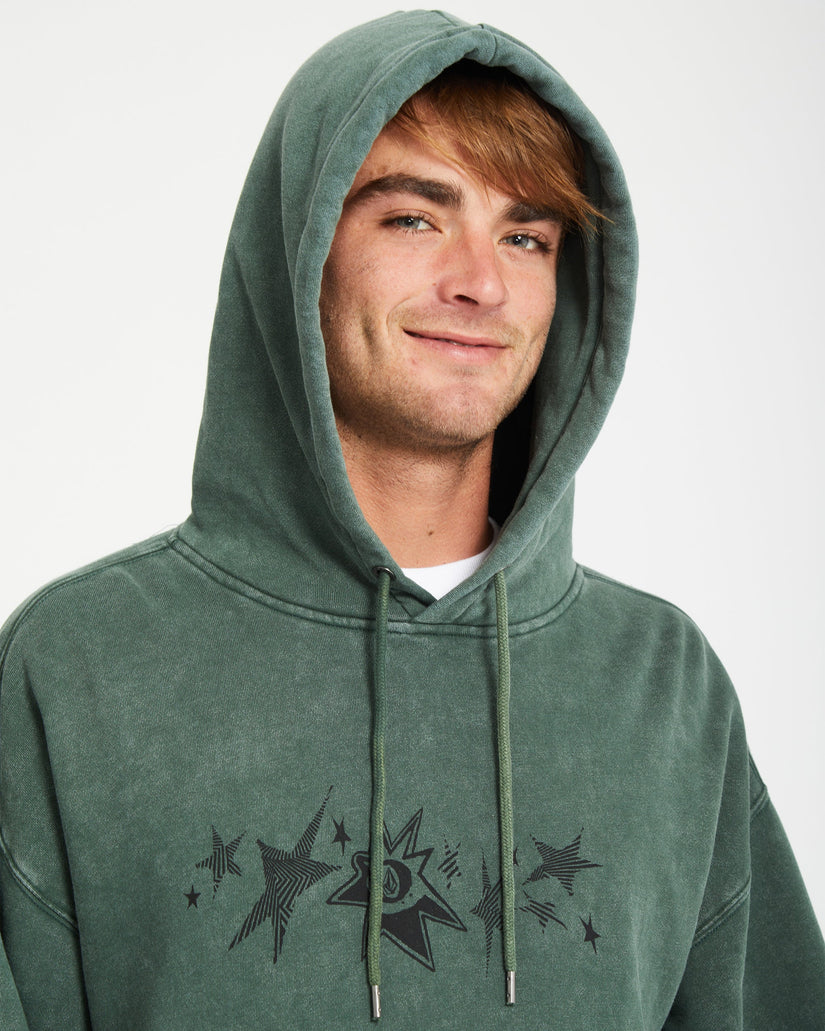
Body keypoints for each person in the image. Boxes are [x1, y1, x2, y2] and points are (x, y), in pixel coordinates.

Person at [0, 10, 822, 1029]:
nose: (481, 282)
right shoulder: (79, 666)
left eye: (525, 236)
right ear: (301, 255)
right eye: (413, 219)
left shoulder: (664, 684)